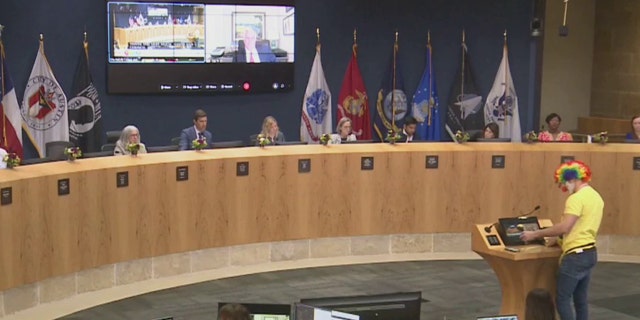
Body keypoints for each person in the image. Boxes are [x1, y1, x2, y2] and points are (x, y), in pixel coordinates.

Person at [520, 160, 603, 320]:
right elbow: (581, 227)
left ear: (572, 178)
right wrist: (558, 239)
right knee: (580, 300)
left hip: (575, 256)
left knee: (562, 299)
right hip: (590, 252)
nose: (565, 187)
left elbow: (566, 227)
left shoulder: (576, 199)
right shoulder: (596, 196)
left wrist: (535, 234)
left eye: (564, 183)